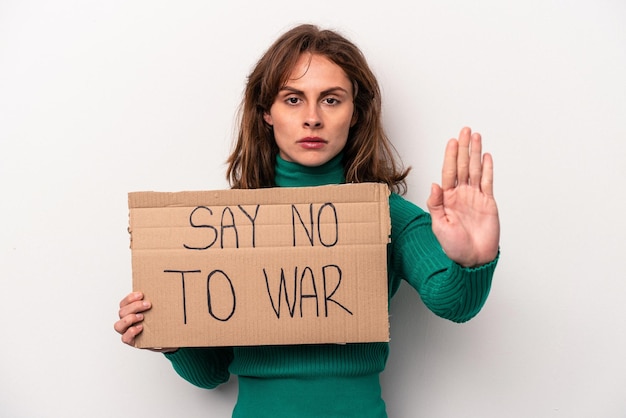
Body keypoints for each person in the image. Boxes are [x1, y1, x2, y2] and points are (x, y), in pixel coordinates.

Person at [114, 23, 500, 417]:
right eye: (293, 99)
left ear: (355, 113)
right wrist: (171, 337)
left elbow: (454, 303)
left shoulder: (387, 215)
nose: (312, 118)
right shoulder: (224, 225)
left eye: (331, 100)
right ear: (266, 111)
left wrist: (473, 261)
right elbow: (211, 373)